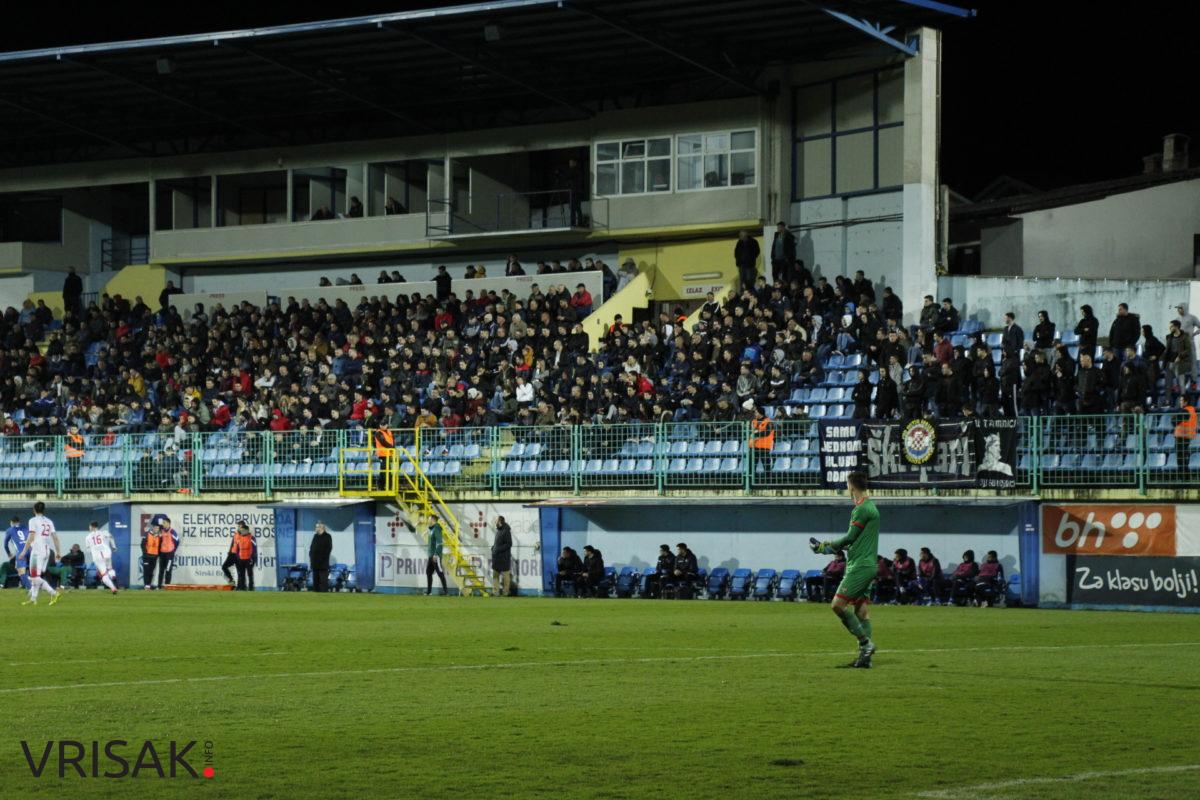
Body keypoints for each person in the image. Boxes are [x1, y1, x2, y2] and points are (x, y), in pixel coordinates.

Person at [810, 471, 878, 668]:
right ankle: (865, 659)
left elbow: (849, 538)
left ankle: (866, 644)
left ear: (851, 486)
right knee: (862, 612)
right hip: (867, 564)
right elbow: (855, 542)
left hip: (860, 567)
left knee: (837, 605)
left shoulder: (862, 509)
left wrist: (823, 547)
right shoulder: (871, 507)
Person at [18, 502, 62, 606]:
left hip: (37, 551)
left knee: (34, 577)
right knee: (35, 575)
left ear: (34, 510)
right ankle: (33, 599)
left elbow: (31, 536)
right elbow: (55, 537)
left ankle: (54, 593)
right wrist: (58, 552)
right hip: (47, 551)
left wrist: (24, 551)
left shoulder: (33, 520)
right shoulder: (49, 521)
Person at [84, 521, 119, 594]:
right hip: (107, 553)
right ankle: (113, 575)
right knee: (109, 568)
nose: (89, 528)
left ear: (92, 527)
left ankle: (113, 588)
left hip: (97, 557)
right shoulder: (104, 532)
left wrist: (92, 550)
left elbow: (88, 550)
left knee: (103, 574)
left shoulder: (88, 537)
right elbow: (111, 537)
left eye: (89, 526)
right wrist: (114, 546)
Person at [3, 515, 32, 594]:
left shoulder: (10, 530)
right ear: (19, 522)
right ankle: (28, 582)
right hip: (31, 550)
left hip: (21, 552)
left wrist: (9, 553)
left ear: (11, 522)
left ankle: (30, 588)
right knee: (27, 570)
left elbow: (5, 544)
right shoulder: (26, 528)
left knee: (21, 572)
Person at [425, 514, 448, 596]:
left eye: (429, 519)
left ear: (433, 520)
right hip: (430, 555)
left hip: (435, 556)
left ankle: (446, 592)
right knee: (428, 572)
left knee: (440, 573)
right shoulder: (431, 529)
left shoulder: (436, 529)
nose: (428, 520)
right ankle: (429, 591)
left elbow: (440, 543)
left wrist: (436, 554)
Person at [491, 515, 513, 597]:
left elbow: (509, 544)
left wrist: (498, 549)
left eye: (496, 521)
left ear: (500, 522)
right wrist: (493, 547)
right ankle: (495, 592)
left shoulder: (506, 531)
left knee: (506, 576)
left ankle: (505, 592)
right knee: (495, 576)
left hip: (504, 558)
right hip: (496, 558)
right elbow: (498, 543)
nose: (495, 522)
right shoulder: (499, 530)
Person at [155, 516, 179, 589]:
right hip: (162, 554)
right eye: (163, 523)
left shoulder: (172, 531)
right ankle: (159, 586)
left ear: (168, 523)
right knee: (161, 570)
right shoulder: (161, 531)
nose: (163, 524)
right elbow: (159, 541)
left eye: (164, 523)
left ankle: (167, 586)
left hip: (169, 555)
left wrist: (173, 550)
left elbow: (177, 541)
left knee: (168, 570)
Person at [232, 521, 257, 591]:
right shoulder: (239, 538)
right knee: (242, 574)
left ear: (247, 530)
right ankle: (243, 587)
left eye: (243, 530)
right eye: (241, 530)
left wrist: (252, 558)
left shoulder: (252, 538)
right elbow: (237, 549)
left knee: (250, 574)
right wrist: (238, 557)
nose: (241, 531)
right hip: (241, 559)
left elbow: (254, 549)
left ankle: (251, 588)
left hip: (249, 559)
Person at [1174, 394, 1196, 472]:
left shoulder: (1184, 411)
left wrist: (1174, 417)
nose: (1180, 402)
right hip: (1187, 435)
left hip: (1181, 436)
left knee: (1181, 459)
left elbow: (1173, 421)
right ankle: (1185, 477)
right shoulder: (1192, 409)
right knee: (1184, 458)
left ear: (1186, 402)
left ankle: (1182, 478)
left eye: (1181, 400)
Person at [309, 521, 333, 592]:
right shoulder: (315, 536)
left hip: (323, 564)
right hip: (314, 563)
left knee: (323, 582)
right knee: (315, 581)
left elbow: (328, 549)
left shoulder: (327, 536)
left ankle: (324, 596)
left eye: (316, 527)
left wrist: (321, 559)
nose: (315, 528)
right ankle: (315, 595)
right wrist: (311, 556)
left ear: (321, 527)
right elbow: (312, 548)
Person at [140, 518, 160, 590]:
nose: (157, 529)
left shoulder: (158, 537)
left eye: (158, 528)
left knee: (151, 572)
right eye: (156, 528)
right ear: (153, 528)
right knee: (146, 571)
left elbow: (159, 547)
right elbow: (142, 545)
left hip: (154, 556)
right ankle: (146, 585)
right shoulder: (147, 535)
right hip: (147, 556)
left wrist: (157, 555)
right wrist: (145, 554)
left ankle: (149, 585)